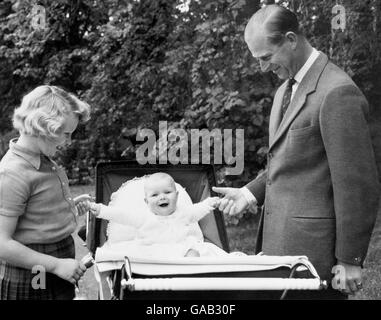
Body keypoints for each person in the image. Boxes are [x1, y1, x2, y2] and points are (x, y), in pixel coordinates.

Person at [213, 4, 380, 299]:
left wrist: (349, 259)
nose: (263, 68)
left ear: (291, 39)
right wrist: (249, 193)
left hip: (315, 256)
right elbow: (289, 159)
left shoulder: (337, 91)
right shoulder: (283, 91)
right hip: (277, 249)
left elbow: (357, 185)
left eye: (266, 57)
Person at [0, 85, 92, 300]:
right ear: (43, 127)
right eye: (66, 134)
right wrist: (56, 265)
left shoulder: (43, 160)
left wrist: (66, 207)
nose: (68, 142)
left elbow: (35, 213)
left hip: (55, 263)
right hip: (33, 271)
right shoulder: (13, 173)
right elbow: (2, 243)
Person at [87, 172, 226, 258]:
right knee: (136, 257)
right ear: (146, 201)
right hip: (152, 251)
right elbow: (122, 215)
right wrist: (101, 210)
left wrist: (210, 203)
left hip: (180, 249)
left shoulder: (183, 213)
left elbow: (198, 210)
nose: (162, 197)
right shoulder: (143, 217)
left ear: (177, 196)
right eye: (155, 195)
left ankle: (189, 279)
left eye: (167, 192)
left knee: (194, 253)